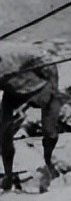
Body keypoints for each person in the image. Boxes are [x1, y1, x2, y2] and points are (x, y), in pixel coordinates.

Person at [1, 41, 62, 191]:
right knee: (3, 133)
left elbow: (45, 59)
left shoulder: (12, 53)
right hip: (14, 89)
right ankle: (8, 176)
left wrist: (53, 87)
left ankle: (48, 162)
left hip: (41, 84)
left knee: (49, 130)